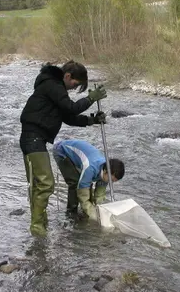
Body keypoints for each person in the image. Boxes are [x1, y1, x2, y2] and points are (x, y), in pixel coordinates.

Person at [20, 60, 108, 237]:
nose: (73, 89)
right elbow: (71, 107)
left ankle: (40, 226)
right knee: (45, 184)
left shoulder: (54, 87)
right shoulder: (52, 85)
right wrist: (91, 98)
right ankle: (38, 228)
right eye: (74, 85)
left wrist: (92, 120)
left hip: (37, 139)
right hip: (32, 138)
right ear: (67, 76)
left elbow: (69, 117)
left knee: (40, 184)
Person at [52, 139, 125, 221]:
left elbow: (99, 194)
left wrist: (100, 209)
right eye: (111, 180)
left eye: (114, 181)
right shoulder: (90, 168)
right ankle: (71, 214)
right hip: (62, 151)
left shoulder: (107, 171)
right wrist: (94, 216)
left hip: (82, 158)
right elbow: (82, 194)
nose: (110, 183)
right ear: (105, 171)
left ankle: (85, 212)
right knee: (75, 183)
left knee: (86, 183)